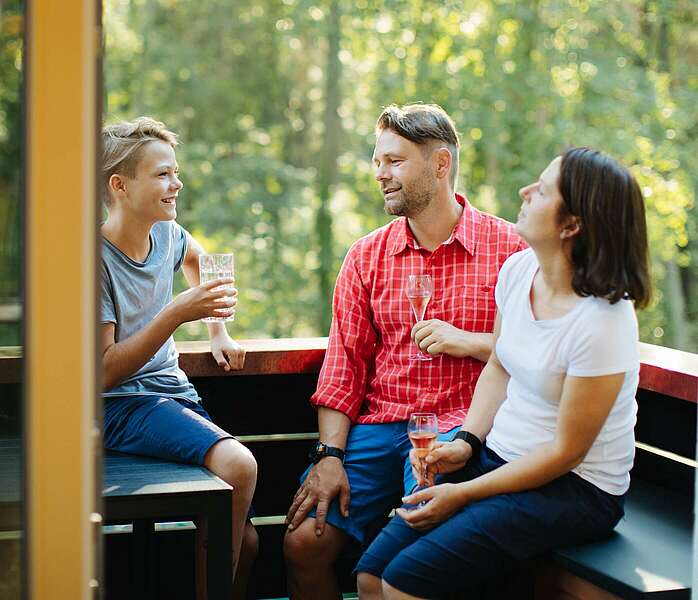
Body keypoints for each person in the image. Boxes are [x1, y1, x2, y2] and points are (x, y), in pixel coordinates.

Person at [355, 147, 651, 600]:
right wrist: (465, 443)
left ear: (572, 225)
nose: (525, 191)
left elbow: (566, 453)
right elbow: (497, 366)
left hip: (575, 489)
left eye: (543, 189)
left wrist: (466, 493)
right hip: (500, 457)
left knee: (404, 583)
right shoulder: (518, 271)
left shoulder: (603, 321)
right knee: (371, 576)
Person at [283, 103, 525, 599]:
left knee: (413, 548)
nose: (380, 175)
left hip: (460, 427)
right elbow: (343, 365)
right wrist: (330, 455)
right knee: (305, 540)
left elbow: (534, 353)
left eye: (394, 161)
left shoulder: (511, 250)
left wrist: (469, 342)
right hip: (378, 427)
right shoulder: (365, 255)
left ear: (440, 164)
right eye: (377, 162)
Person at [99, 117, 258, 599]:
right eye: (164, 174)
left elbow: (202, 262)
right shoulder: (91, 260)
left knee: (247, 542)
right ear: (120, 186)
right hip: (121, 406)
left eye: (176, 171)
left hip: (173, 396)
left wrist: (218, 331)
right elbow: (103, 372)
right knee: (241, 466)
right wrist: (176, 313)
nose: (177, 183)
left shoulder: (168, 234)